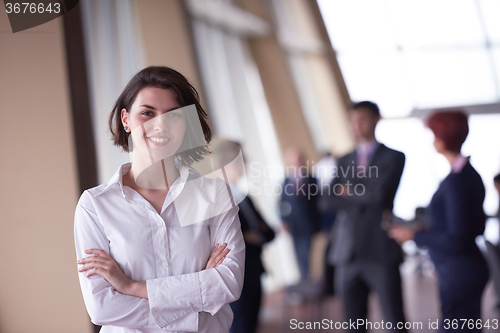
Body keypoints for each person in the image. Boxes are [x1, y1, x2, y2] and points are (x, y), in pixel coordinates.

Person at [74, 66, 245, 333]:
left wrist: (132, 287)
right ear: (126, 119)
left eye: (174, 115)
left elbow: (228, 283)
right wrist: (198, 302)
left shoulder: (214, 194)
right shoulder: (95, 206)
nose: (160, 125)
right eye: (147, 113)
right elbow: (102, 308)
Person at [389, 110, 489, 333]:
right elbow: (475, 226)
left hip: (458, 272)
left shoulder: (456, 181)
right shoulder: (469, 174)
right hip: (467, 268)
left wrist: (414, 235)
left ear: (443, 136)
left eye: (434, 134)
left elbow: (457, 239)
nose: (433, 140)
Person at [319, 101, 407, 332]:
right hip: (347, 253)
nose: (356, 125)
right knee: (353, 324)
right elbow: (326, 200)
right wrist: (363, 190)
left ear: (377, 119)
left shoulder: (394, 157)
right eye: (352, 121)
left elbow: (379, 196)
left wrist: (348, 190)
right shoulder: (343, 160)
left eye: (362, 120)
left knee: (394, 321)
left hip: (380, 250)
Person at [216, 141, 275, 333]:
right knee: (239, 324)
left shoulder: (244, 196)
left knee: (251, 323)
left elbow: (267, 232)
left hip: (254, 270)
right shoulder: (215, 199)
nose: (245, 165)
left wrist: (253, 235)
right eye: (239, 161)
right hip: (235, 275)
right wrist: (249, 235)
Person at [279, 147, 321, 282]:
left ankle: (317, 282)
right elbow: (281, 203)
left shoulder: (311, 179)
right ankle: (306, 282)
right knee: (300, 255)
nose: (296, 162)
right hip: (295, 226)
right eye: (294, 159)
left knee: (314, 255)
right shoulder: (286, 181)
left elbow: (318, 202)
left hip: (311, 224)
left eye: (299, 159)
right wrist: (284, 220)